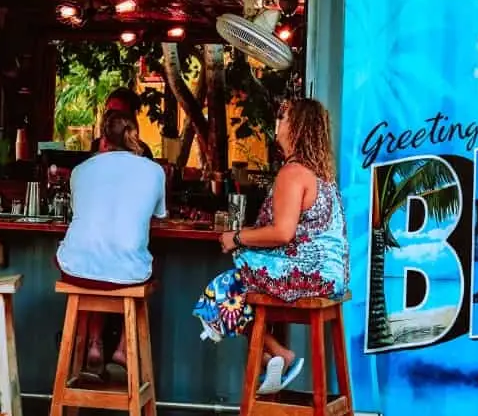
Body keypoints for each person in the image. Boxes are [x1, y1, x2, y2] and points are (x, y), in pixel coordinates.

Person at [195, 97, 347, 395]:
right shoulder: (321, 175)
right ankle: (271, 355)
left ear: (297, 128)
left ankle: (277, 354)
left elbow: (282, 233)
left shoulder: (292, 173)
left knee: (226, 287)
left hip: (309, 273)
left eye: (285, 117)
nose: (279, 123)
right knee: (235, 286)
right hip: (331, 276)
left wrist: (236, 238)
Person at [56, 108, 166, 373]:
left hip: (76, 269)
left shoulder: (80, 170)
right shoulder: (154, 171)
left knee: (97, 263)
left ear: (103, 140)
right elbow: (159, 215)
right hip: (128, 274)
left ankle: (93, 344)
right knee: (135, 263)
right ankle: (122, 349)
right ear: (134, 137)